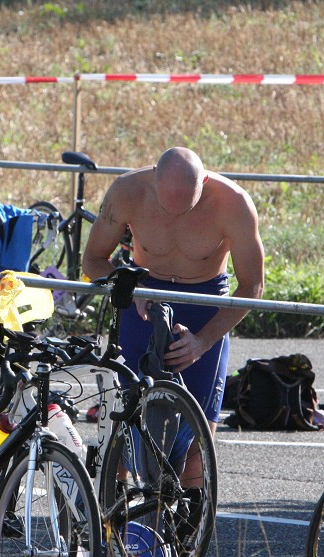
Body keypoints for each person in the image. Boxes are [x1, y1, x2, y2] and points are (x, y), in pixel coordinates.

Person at [82, 147, 264, 485]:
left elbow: (253, 286)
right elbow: (92, 260)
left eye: (188, 207)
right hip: (143, 303)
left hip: (204, 307)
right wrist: (129, 288)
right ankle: (114, 527)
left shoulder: (234, 203)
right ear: (153, 176)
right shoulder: (127, 191)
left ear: (205, 182)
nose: (177, 217)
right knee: (119, 433)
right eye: (168, 207)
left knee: (197, 450)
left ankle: (187, 532)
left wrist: (204, 341)